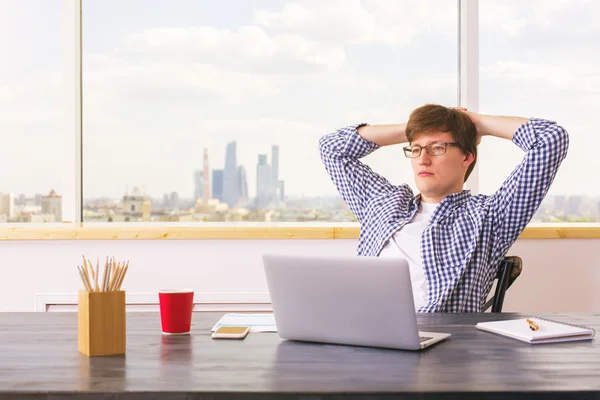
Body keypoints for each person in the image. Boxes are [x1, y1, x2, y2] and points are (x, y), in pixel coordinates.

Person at [318, 104, 569, 312]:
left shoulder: (491, 216)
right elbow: (332, 149)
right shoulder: (382, 204)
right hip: (364, 337)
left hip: (444, 350)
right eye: (415, 149)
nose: (423, 159)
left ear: (467, 157)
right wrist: (411, 130)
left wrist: (474, 123)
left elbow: (550, 139)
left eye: (437, 148)